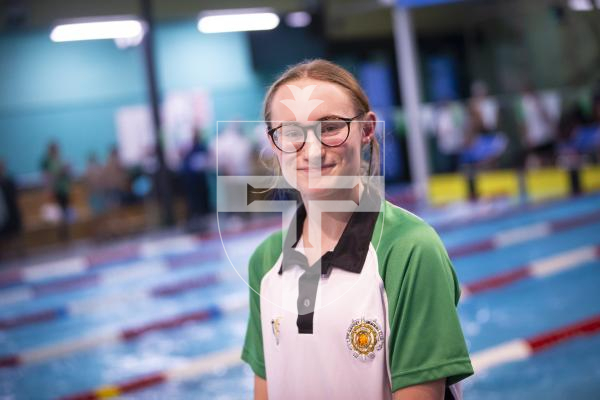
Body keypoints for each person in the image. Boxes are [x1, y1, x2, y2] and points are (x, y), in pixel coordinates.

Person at [241, 60, 473, 400]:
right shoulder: (265, 260)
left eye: (331, 127)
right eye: (291, 132)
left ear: (366, 130)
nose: (313, 150)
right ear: (274, 143)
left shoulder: (409, 250)